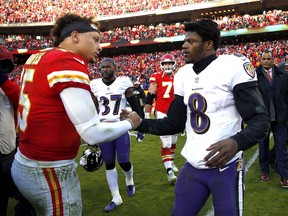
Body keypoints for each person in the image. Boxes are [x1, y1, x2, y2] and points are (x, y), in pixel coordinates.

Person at [122, 18, 270, 215]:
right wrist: (141, 124)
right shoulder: (183, 74)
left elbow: (260, 121)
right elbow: (174, 122)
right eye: (185, 41)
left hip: (226, 167)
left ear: (208, 44)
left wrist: (237, 142)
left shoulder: (232, 66)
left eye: (191, 41)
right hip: (193, 165)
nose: (184, 45)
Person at [11, 13, 141, 216]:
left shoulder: (38, 56)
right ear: (75, 36)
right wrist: (130, 123)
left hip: (25, 160)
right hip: (48, 169)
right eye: (96, 40)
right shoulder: (67, 60)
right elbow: (92, 133)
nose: (100, 47)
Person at [90, 58, 144, 212]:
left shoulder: (123, 82)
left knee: (124, 161)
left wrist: (141, 125)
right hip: (103, 128)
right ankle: (116, 197)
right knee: (109, 163)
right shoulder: (94, 85)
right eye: (103, 67)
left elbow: (134, 104)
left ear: (115, 68)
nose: (105, 69)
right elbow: (93, 109)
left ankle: (129, 178)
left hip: (120, 127)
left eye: (108, 67)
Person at [0, 44, 35, 216]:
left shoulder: (7, 87)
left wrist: (3, 81)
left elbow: (21, 100)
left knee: (28, 198)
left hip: (7, 155)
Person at [144, 53, 179, 185]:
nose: (168, 66)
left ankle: (172, 161)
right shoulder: (156, 76)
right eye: (165, 63)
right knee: (166, 143)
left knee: (174, 140)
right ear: (162, 65)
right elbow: (150, 95)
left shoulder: (178, 77)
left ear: (174, 64)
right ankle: (169, 171)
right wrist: (147, 114)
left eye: (170, 63)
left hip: (176, 112)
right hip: (162, 111)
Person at [256, 49, 288, 187]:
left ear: (273, 59)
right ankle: (264, 170)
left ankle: (285, 175)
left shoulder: (282, 75)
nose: (266, 61)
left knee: (281, 147)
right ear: (261, 60)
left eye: (269, 59)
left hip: (280, 118)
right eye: (264, 59)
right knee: (263, 146)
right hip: (263, 119)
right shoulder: (254, 76)